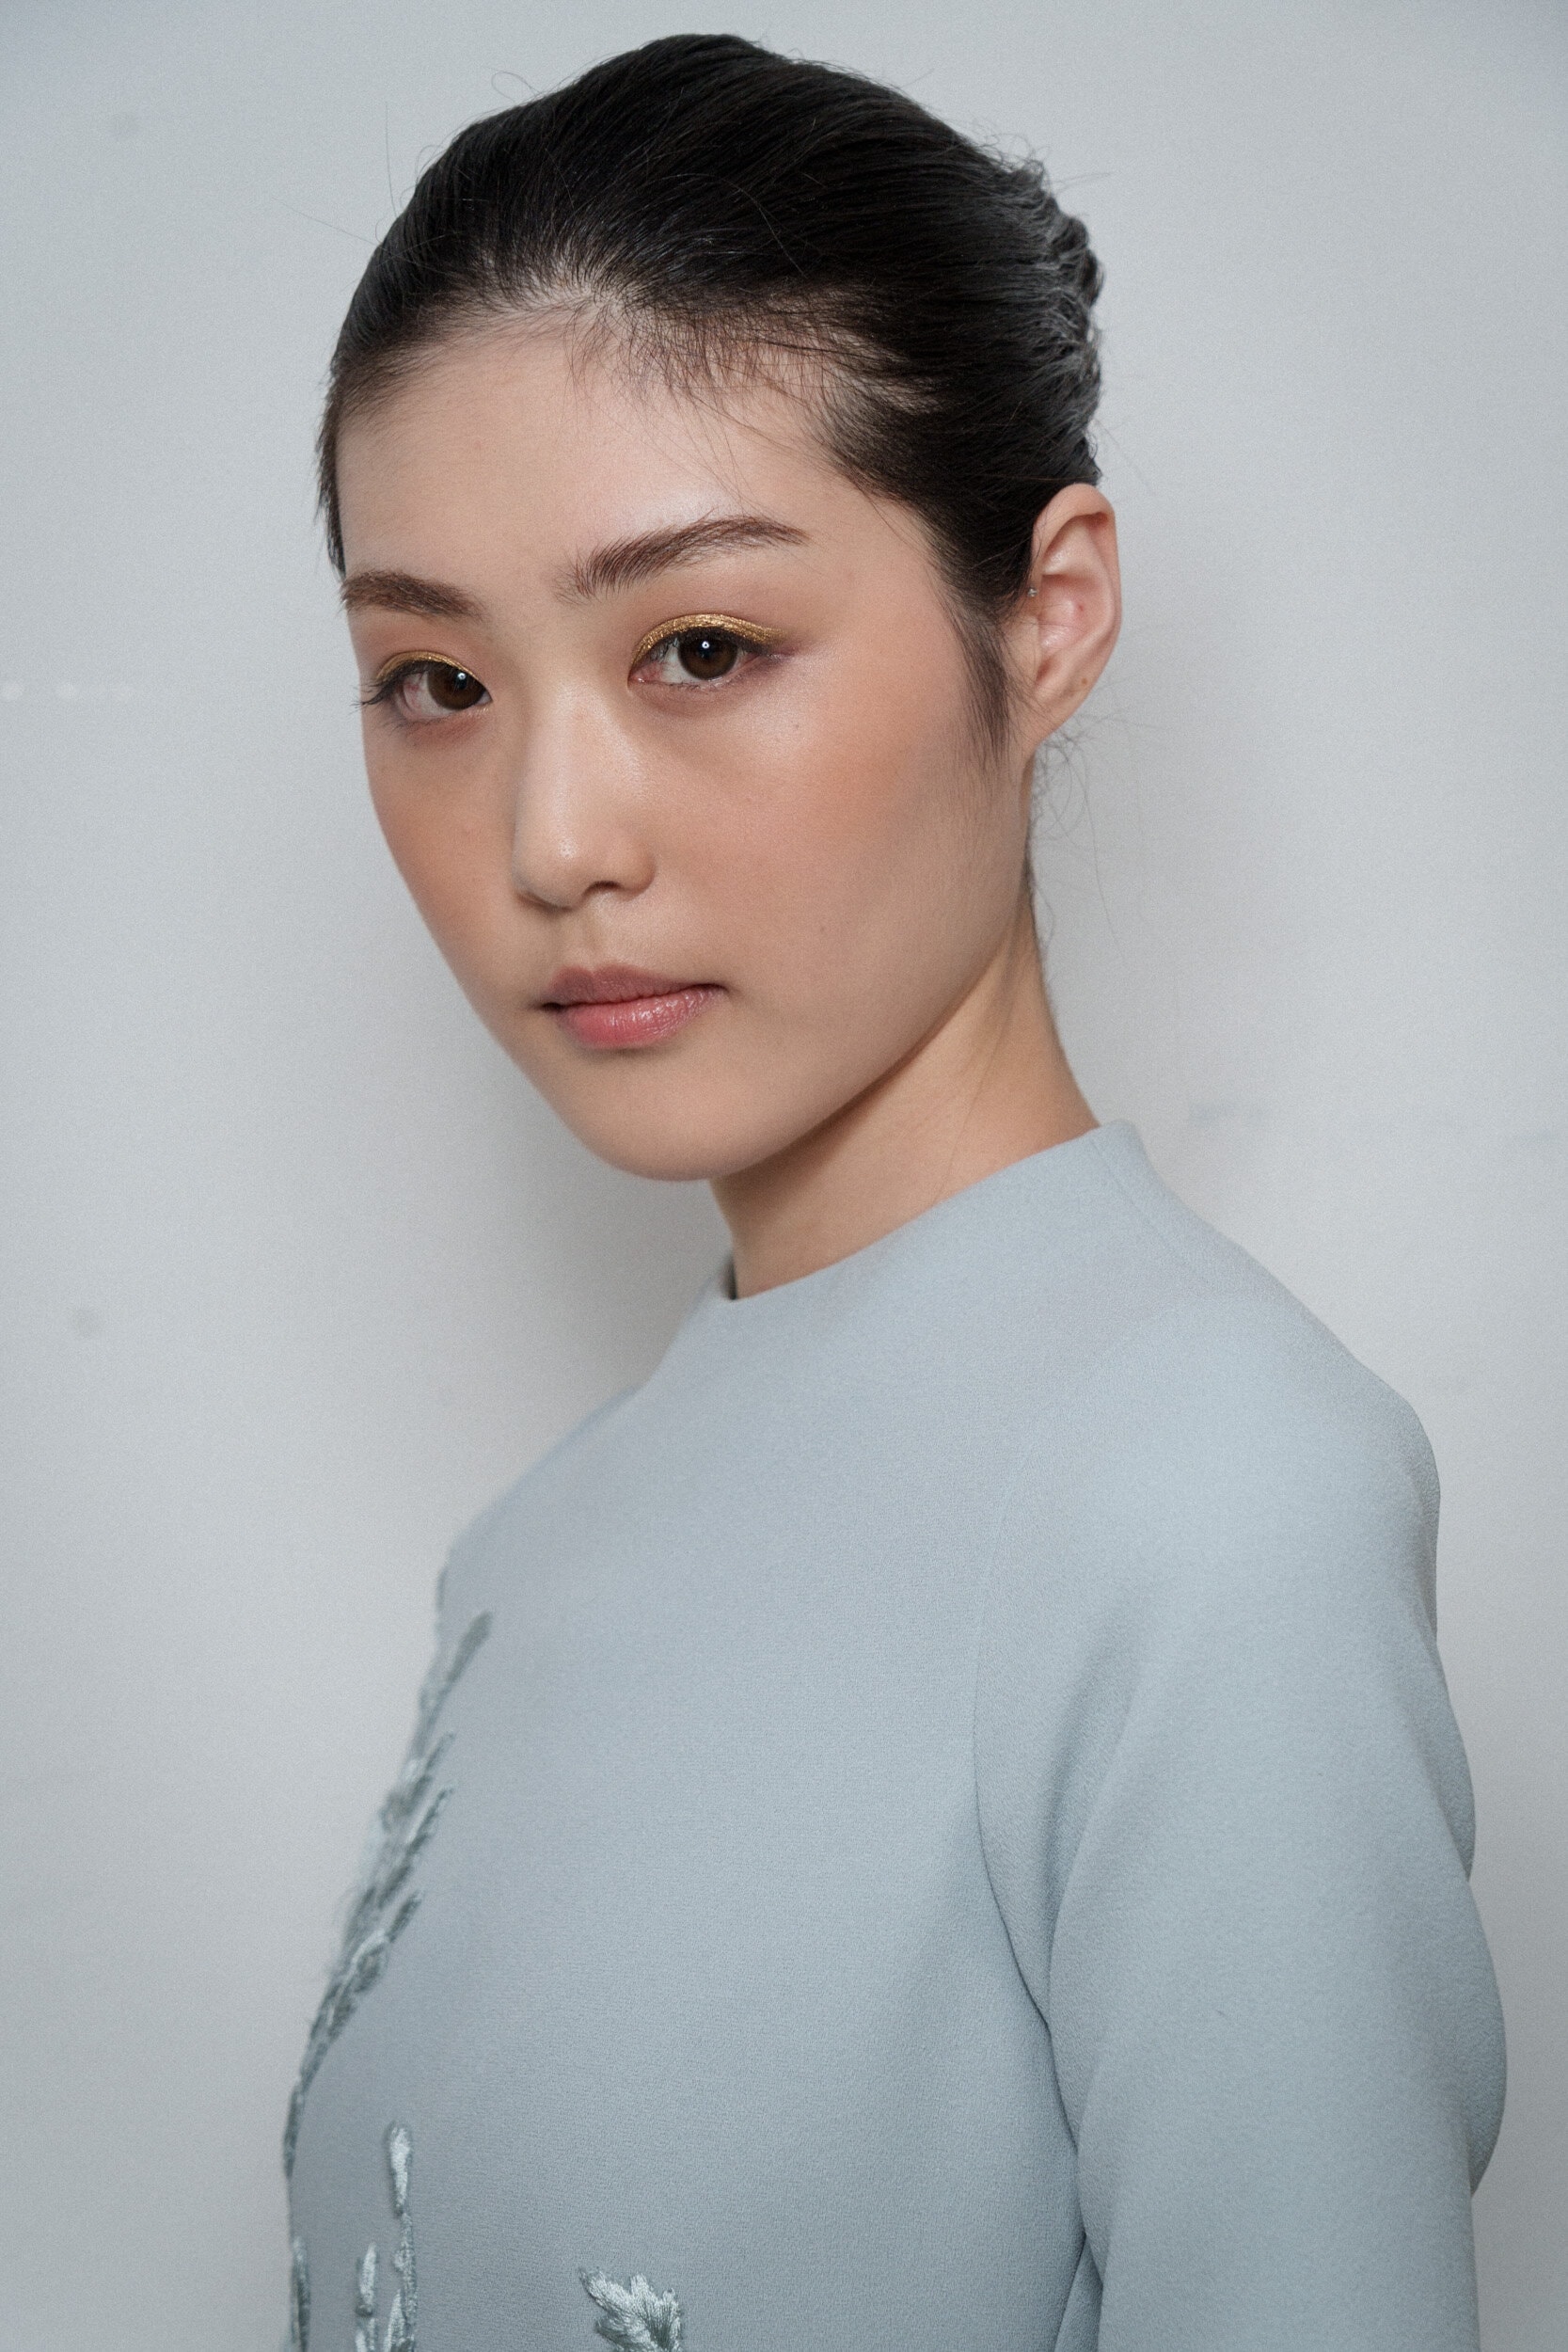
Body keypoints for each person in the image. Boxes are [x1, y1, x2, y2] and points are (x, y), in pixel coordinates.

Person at [283, 34, 1504, 2352]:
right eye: (434, 680)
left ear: (1048, 614)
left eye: (700, 647)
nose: (554, 838)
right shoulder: (530, 1554)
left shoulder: (1206, 1508)